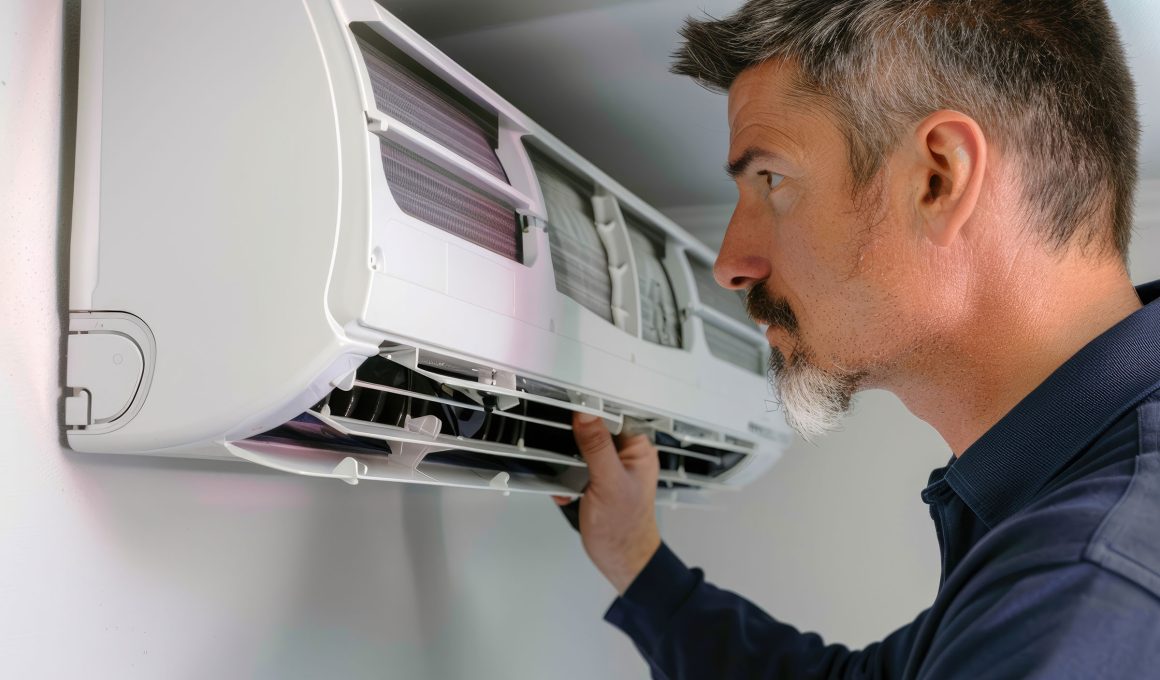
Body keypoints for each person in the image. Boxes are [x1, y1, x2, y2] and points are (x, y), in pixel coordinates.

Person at [553, 1, 1160, 677]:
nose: (730, 262)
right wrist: (635, 559)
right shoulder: (1066, 536)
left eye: (771, 180)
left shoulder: (1083, 595)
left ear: (939, 178)